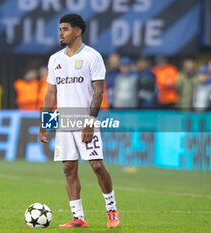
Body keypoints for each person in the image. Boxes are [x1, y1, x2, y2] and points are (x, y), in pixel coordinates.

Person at [39, 14, 119, 228]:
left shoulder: (93, 57)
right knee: (68, 168)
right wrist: (45, 122)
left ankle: (111, 210)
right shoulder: (55, 59)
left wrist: (90, 122)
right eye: (60, 29)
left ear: (77, 31)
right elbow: (50, 93)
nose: (60, 33)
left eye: (65, 29)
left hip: (85, 120)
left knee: (97, 165)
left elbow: (99, 91)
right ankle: (78, 217)